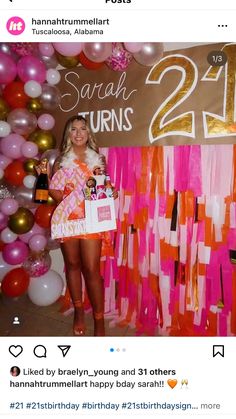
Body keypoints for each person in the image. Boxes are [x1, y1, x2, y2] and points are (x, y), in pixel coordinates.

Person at [49, 115, 118, 337]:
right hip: (67, 220)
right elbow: (57, 196)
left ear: (89, 134)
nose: (78, 133)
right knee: (72, 266)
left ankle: (99, 321)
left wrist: (111, 192)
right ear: (68, 134)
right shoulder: (61, 161)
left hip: (91, 220)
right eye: (74, 129)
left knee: (92, 270)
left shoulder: (98, 159)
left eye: (83, 129)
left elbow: (103, 189)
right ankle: (79, 311)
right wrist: (49, 184)